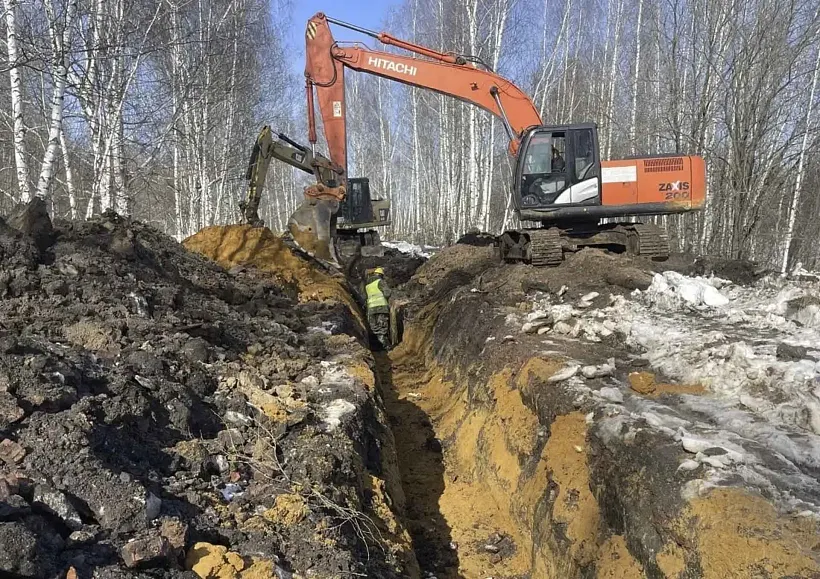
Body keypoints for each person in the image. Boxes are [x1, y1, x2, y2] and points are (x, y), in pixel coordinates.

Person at [365, 267, 391, 348]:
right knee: (382, 328)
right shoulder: (380, 282)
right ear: (381, 275)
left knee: (374, 328)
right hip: (381, 307)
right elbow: (387, 293)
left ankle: (377, 346)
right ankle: (386, 346)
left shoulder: (367, 286)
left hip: (371, 309)